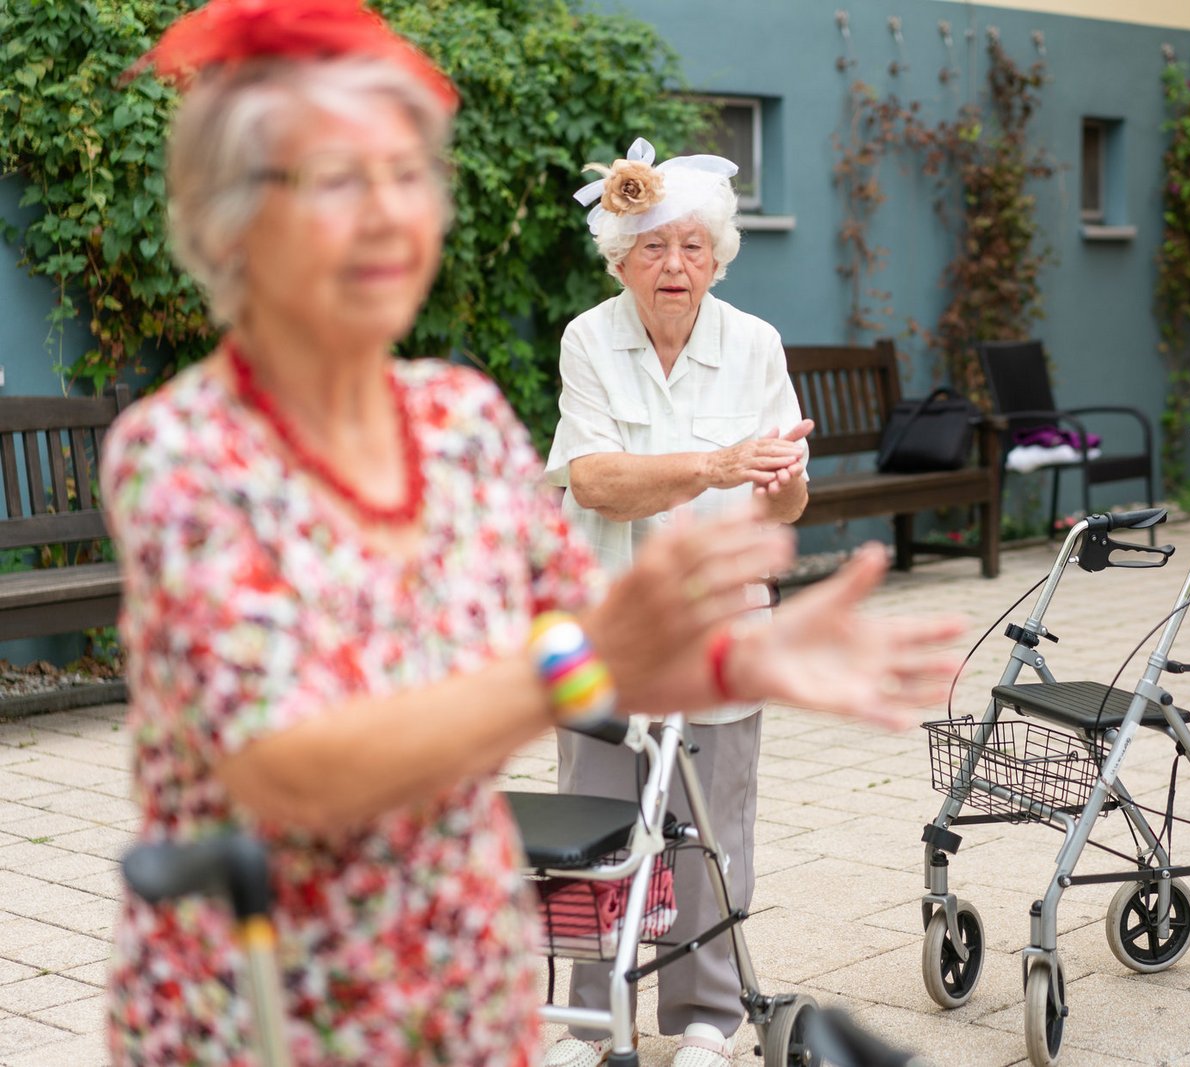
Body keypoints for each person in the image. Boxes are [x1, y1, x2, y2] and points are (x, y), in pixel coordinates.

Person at [103, 3, 963, 1064]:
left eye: (407, 175)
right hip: (276, 1000)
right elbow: (290, 765)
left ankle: (692, 1011)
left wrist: (737, 654)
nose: (387, 214)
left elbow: (563, 623)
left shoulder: (455, 420)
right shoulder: (186, 451)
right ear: (228, 219)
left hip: (463, 983)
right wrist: (585, 664)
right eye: (335, 180)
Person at [538, 138, 810, 1067]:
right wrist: (717, 465)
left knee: (712, 819)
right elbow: (598, 480)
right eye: (653, 247)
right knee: (592, 821)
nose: (675, 265)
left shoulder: (755, 345)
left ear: (718, 258)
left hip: (720, 614)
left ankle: (708, 1016)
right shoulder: (589, 339)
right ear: (620, 259)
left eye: (694, 247)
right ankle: (588, 1016)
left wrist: (777, 484)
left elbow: (788, 497)